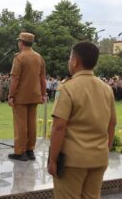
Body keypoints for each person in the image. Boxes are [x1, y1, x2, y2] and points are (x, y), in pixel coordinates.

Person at [48, 41, 116, 199]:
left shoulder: (67, 88)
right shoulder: (106, 89)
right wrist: (104, 150)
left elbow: (59, 127)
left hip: (72, 162)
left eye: (70, 58)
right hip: (98, 158)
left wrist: (53, 159)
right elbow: (111, 125)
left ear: (74, 61)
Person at [8, 32, 46, 161]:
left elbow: (15, 79)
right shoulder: (39, 57)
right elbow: (42, 78)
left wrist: (11, 95)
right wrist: (43, 94)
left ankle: (20, 152)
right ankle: (30, 150)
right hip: (35, 96)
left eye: (19, 41)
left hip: (21, 96)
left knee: (20, 125)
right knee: (32, 124)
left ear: (21, 43)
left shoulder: (19, 58)